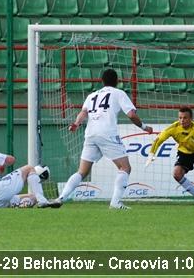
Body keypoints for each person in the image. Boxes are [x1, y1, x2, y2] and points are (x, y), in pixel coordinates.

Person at [50, 69, 153, 210]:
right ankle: (115, 203)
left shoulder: (92, 95)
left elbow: (83, 112)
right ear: (117, 81)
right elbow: (131, 115)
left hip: (90, 134)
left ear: (102, 81)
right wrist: (144, 127)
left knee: (82, 171)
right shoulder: (119, 93)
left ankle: (61, 197)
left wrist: (76, 124)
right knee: (125, 167)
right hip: (107, 133)